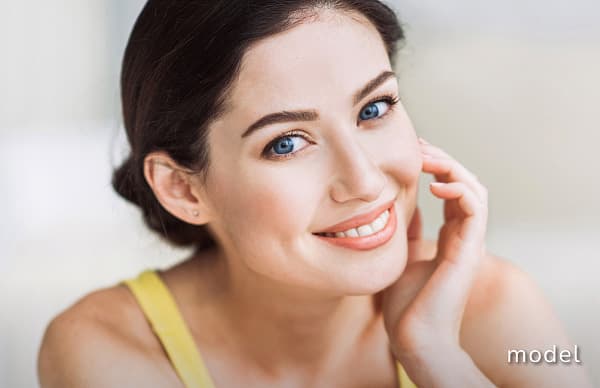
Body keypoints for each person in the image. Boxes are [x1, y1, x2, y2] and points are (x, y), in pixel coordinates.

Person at [37, 1, 592, 387]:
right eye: (286, 144)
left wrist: (436, 357)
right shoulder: (104, 346)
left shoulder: (496, 306)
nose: (366, 181)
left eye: (374, 109)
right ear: (183, 188)